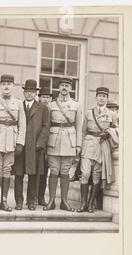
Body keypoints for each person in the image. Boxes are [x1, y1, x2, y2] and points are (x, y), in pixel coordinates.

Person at [0, 74, 26, 211]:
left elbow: (22, 126)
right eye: (3, 84)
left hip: (11, 142)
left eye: (9, 84)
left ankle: (4, 201)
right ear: (0, 86)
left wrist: (19, 143)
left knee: (7, 170)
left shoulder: (19, 103)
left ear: (13, 86)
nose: (6, 86)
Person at [77, 87, 118, 213]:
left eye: (104, 96)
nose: (101, 98)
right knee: (85, 173)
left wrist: (109, 133)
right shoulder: (89, 113)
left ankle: (90, 204)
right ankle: (83, 203)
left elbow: (117, 130)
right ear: (96, 97)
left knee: (96, 176)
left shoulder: (112, 114)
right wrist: (80, 147)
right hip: (88, 145)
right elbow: (83, 131)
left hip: (102, 147)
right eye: (99, 96)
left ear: (107, 98)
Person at [44, 77, 82, 211]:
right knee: (53, 171)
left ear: (70, 88)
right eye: (62, 85)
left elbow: (79, 126)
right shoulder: (51, 105)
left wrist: (78, 145)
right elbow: (47, 126)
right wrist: (45, 144)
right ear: (58, 88)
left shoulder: (76, 105)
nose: (64, 88)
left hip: (69, 142)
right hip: (53, 141)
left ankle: (64, 201)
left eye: (67, 85)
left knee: (65, 172)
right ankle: (51, 201)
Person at [13, 79, 49, 210]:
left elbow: (46, 127)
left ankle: (31, 201)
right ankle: (18, 201)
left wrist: (40, 144)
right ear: (24, 92)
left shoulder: (43, 108)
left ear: (36, 93)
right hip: (20, 146)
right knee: (18, 174)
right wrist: (16, 143)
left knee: (33, 175)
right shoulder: (17, 106)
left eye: (32, 92)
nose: (29, 94)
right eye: (27, 91)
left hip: (35, 147)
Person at [36, 87, 53, 206]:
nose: (45, 99)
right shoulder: (36, 108)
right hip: (36, 143)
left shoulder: (53, 110)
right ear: (39, 98)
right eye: (43, 97)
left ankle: (41, 197)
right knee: (34, 172)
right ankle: (32, 196)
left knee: (44, 173)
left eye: (47, 97)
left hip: (49, 145)